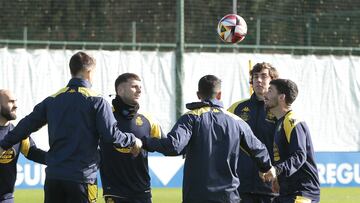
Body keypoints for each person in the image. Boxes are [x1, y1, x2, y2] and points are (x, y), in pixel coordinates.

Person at [0, 52, 142, 203]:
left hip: (54, 178)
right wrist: (132, 140)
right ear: (89, 72)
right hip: (81, 177)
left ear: (72, 70)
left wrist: (4, 144)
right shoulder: (97, 101)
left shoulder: (52, 99)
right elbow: (111, 135)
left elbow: (26, 125)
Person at [142, 75, 276, 203]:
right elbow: (258, 148)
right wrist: (266, 167)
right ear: (219, 95)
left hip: (197, 196)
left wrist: (144, 142)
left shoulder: (191, 117)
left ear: (198, 95)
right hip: (228, 196)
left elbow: (173, 146)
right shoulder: (237, 121)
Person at [99, 73, 165, 203]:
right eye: (134, 87)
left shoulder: (148, 119)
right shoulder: (104, 118)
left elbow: (166, 145)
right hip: (114, 191)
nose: (139, 90)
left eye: (140, 87)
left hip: (142, 192)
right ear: (120, 90)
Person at [228, 62, 279, 203]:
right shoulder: (237, 108)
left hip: (270, 186)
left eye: (264, 76)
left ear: (272, 81)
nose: (258, 80)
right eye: (255, 76)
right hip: (241, 185)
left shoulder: (279, 109)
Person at [263, 79, 320, 203]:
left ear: (281, 97)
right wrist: (278, 179)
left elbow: (299, 155)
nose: (265, 94)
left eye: (270, 90)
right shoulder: (280, 121)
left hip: (301, 193)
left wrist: (276, 170)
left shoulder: (292, 120)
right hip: (286, 193)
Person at [0, 89, 46, 203]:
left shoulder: (18, 133)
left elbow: (33, 153)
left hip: (6, 198)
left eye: (16, 101)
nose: (16, 106)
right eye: (11, 102)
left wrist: (61, 157)